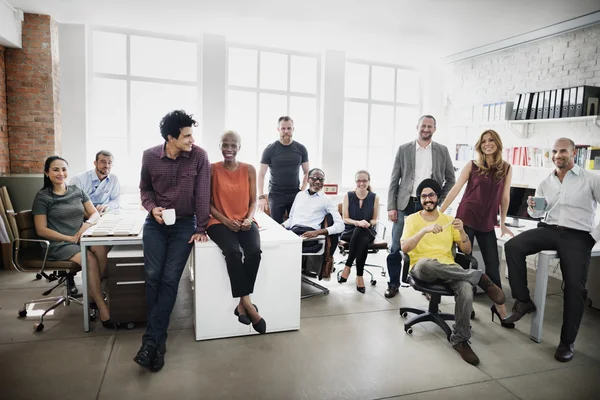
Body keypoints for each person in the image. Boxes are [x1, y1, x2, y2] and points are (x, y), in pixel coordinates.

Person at [503, 137, 600, 363]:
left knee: (575, 288)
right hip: (549, 229)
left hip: (578, 235)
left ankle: (567, 342)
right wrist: (533, 209)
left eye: (563, 151)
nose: (558, 155)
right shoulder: (546, 182)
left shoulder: (590, 180)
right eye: (554, 151)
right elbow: (539, 213)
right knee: (513, 246)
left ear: (573, 153)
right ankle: (523, 300)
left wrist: (593, 237)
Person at [134, 110, 210, 372]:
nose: (192, 140)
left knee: (169, 278)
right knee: (153, 275)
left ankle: (151, 341)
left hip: (185, 224)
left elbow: (202, 194)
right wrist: (151, 207)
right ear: (170, 137)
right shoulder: (149, 156)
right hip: (156, 222)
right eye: (187, 135)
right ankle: (159, 342)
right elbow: (144, 189)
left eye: (192, 134)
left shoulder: (199, 156)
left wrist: (201, 227)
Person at [400, 179, 505, 365]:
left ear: (437, 197)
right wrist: (424, 230)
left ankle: (460, 340)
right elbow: (405, 248)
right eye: (423, 196)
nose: (427, 199)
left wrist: (463, 231)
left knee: (465, 287)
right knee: (426, 264)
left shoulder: (449, 221)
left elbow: (466, 251)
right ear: (420, 199)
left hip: (450, 268)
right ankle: (479, 277)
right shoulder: (412, 219)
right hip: (422, 267)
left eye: (431, 195)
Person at [440, 130, 514, 327]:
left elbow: (505, 197)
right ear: (479, 145)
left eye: (491, 140)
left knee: (492, 264)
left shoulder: (506, 168)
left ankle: (499, 307)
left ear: (497, 143)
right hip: (466, 217)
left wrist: (504, 223)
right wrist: (441, 212)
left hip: (488, 221)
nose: (487, 144)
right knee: (465, 261)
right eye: (483, 141)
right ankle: (465, 302)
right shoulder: (472, 165)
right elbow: (455, 189)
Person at [32, 156, 112, 327]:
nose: (61, 173)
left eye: (64, 169)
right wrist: (68, 238)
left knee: (101, 248)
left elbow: (94, 213)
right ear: (47, 173)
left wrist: (86, 225)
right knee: (89, 259)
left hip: (79, 238)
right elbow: (41, 229)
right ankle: (100, 304)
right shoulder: (43, 197)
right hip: (57, 244)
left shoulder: (77, 190)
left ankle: (93, 292)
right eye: (55, 169)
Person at [385, 115, 455, 298]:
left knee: (426, 244)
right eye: (423, 126)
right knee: (396, 246)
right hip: (405, 203)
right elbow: (394, 179)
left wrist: (439, 200)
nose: (426, 129)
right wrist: (391, 206)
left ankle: (427, 286)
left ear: (434, 129)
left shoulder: (442, 150)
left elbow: (451, 179)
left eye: (430, 126)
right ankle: (393, 284)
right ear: (417, 127)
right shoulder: (404, 149)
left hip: (429, 205)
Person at [206, 130, 265, 334]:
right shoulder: (212, 169)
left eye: (233, 145)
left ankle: (241, 303)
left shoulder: (249, 169)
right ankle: (248, 304)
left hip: (245, 220)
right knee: (232, 252)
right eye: (225, 144)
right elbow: (206, 202)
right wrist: (224, 220)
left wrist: (248, 218)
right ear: (220, 146)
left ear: (239, 147)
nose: (229, 149)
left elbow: (253, 200)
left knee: (254, 252)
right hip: (218, 221)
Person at [282, 168, 344, 275]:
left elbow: (340, 226)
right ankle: (288, 275)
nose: (318, 182)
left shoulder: (326, 200)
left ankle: (289, 276)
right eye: (314, 178)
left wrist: (318, 232)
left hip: (310, 235)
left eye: (321, 179)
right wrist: (281, 226)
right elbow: (291, 219)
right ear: (308, 179)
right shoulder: (300, 195)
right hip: (294, 232)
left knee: (283, 247)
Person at [257, 116, 310, 224]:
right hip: (276, 194)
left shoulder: (301, 148)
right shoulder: (270, 149)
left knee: (296, 225)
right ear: (278, 130)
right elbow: (261, 174)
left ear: (293, 129)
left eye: (289, 128)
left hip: (295, 194)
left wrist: (302, 190)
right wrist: (261, 196)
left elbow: (307, 172)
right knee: (276, 226)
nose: (286, 131)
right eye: (283, 128)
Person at [338, 170, 380, 293]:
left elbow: (374, 220)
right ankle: (359, 276)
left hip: (367, 230)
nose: (361, 183)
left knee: (362, 233)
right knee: (360, 234)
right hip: (350, 231)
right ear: (355, 182)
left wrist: (368, 223)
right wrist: (357, 222)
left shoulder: (374, 197)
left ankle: (348, 266)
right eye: (359, 181)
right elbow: (345, 218)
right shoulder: (348, 195)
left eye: (364, 181)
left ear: (369, 181)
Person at [71, 150, 121, 214]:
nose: (107, 166)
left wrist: (106, 206)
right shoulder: (78, 179)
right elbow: (73, 203)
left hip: (103, 213)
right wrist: (92, 215)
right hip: (83, 214)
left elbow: (116, 200)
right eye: (103, 162)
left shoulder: (114, 179)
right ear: (95, 163)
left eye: (109, 163)